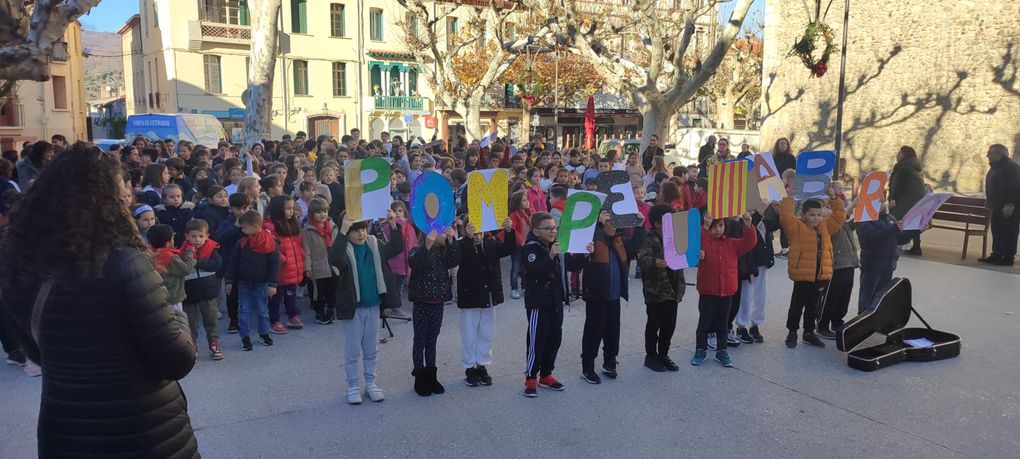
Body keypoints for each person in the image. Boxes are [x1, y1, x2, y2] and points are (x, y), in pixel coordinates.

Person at [0, 144, 199, 457]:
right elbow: (177, 359)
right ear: (108, 200)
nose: (129, 197)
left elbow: (37, 351)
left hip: (65, 431)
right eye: (122, 191)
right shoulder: (126, 264)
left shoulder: (25, 262)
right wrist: (178, 316)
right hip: (142, 432)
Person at [329, 210, 404, 405]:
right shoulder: (344, 247)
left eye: (362, 228)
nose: (360, 234)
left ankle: (371, 383)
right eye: (355, 231)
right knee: (353, 349)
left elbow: (396, 247)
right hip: (354, 308)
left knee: (371, 349)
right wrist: (343, 232)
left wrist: (394, 225)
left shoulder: (374, 243)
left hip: (374, 305)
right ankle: (352, 385)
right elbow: (335, 259)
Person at [521, 212, 589, 397]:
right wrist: (550, 255)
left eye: (554, 227)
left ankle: (546, 374)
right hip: (538, 303)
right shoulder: (530, 249)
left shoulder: (556, 245)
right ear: (536, 231)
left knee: (554, 339)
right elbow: (536, 272)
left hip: (555, 300)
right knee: (537, 340)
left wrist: (584, 253)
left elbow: (571, 264)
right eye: (548, 228)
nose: (553, 231)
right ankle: (530, 377)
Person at [577, 210, 645, 384]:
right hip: (597, 295)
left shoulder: (618, 240)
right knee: (593, 332)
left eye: (615, 222)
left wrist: (640, 226)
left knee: (613, 332)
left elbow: (635, 245)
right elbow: (576, 261)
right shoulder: (593, 238)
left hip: (614, 296)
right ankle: (588, 367)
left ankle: (609, 362)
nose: (614, 225)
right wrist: (598, 224)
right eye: (610, 221)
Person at [778, 195, 846, 349]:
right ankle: (792, 332)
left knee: (813, 306)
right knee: (797, 305)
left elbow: (840, 216)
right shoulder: (796, 227)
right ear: (803, 215)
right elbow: (785, 216)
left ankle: (809, 332)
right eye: (812, 215)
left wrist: (834, 198)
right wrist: (792, 197)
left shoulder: (825, 226)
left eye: (818, 215)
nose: (816, 218)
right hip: (803, 275)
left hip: (820, 274)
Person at [691, 213, 757, 367]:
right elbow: (697, 241)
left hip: (727, 291)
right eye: (714, 227)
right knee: (704, 323)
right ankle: (700, 349)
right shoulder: (704, 242)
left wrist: (748, 224)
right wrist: (705, 227)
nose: (717, 230)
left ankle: (722, 351)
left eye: (720, 226)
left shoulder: (732, 243)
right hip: (708, 291)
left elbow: (749, 242)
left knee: (723, 324)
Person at [456, 217, 515, 387]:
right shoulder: (462, 245)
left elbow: (508, 249)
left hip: (488, 295)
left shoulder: (491, 243)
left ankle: (482, 364)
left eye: (479, 232)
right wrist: (467, 237)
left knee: (486, 331)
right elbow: (459, 256)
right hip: (470, 296)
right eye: (473, 232)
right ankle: (469, 367)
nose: (477, 235)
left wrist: (509, 231)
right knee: (469, 333)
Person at [408, 223, 460, 397]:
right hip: (422, 303)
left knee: (432, 340)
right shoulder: (417, 250)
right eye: (442, 232)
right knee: (420, 340)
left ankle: (431, 375)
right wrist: (427, 246)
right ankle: (419, 377)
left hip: (438, 302)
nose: (445, 235)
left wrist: (452, 240)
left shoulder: (443, 251)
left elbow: (455, 260)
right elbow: (415, 263)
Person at [637, 204, 686, 372]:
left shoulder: (675, 238)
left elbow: (686, 254)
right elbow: (642, 259)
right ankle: (651, 356)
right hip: (656, 292)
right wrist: (654, 262)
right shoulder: (649, 239)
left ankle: (663, 354)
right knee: (654, 324)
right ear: (658, 223)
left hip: (673, 290)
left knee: (669, 325)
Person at [224, 210, 281, 352]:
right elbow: (233, 262)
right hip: (243, 283)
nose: (241, 230)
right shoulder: (242, 242)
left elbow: (275, 264)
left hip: (261, 284)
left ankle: (264, 334)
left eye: (244, 227)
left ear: (255, 227)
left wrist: (273, 283)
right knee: (244, 311)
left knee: (262, 311)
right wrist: (229, 280)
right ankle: (245, 337)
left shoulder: (271, 242)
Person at [816, 184, 859, 339]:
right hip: (835, 265)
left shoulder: (840, 222)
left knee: (843, 296)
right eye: (827, 207)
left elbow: (850, 223)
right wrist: (853, 206)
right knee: (830, 297)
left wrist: (865, 210)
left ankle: (837, 321)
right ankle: (822, 325)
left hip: (849, 263)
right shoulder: (825, 223)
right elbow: (840, 216)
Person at [734, 206, 780, 344]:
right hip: (748, 266)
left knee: (760, 296)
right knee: (746, 296)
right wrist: (748, 270)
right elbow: (746, 245)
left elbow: (775, 224)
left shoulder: (762, 220)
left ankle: (755, 324)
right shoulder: (744, 222)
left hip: (762, 263)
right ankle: (741, 326)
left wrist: (777, 210)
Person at [181, 219, 224, 360]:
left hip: (208, 292)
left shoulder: (212, 249)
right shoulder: (182, 251)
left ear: (207, 236)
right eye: (193, 236)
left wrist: (197, 263)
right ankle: (192, 348)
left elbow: (215, 265)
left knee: (210, 321)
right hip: (190, 293)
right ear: (187, 236)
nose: (197, 240)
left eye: (201, 236)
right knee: (191, 323)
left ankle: (214, 343)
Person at [264, 195, 306, 333]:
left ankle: (292, 315)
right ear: (278, 210)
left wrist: (301, 256)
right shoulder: (270, 226)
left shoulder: (293, 224)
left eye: (292, 208)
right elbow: (270, 247)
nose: (291, 212)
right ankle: (274, 320)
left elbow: (297, 243)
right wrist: (282, 258)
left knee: (290, 293)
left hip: (293, 266)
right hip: (280, 268)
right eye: (287, 209)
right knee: (275, 296)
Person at [856, 197, 902, 311]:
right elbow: (869, 239)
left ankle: (876, 323)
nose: (881, 202)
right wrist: (893, 228)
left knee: (881, 299)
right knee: (867, 298)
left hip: (888, 264)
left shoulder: (889, 218)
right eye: (877, 200)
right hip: (872, 266)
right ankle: (862, 322)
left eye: (882, 200)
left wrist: (918, 230)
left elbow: (899, 238)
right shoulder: (865, 219)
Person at [980, 144, 1020, 266]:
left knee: (1009, 231)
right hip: (997, 205)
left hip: (1008, 206)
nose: (987, 155)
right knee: (997, 230)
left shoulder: (1011, 167)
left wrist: (1010, 204)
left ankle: (1008, 257)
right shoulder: (996, 167)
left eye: (990, 153)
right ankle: (996, 254)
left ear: (999, 154)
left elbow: (1016, 186)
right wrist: (989, 200)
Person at [302, 198, 340, 324]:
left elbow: (338, 245)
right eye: (319, 212)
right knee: (319, 292)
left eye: (325, 211)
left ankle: (330, 309)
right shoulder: (307, 230)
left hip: (332, 265)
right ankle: (319, 312)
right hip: (317, 265)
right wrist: (307, 267)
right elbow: (306, 250)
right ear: (311, 214)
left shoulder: (332, 226)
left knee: (332, 290)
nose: (323, 214)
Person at [888, 146, 926, 255]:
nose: (897, 155)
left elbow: (898, 184)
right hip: (916, 201)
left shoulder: (903, 167)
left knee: (895, 219)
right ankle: (916, 247)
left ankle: (894, 245)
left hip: (906, 200)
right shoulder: (915, 167)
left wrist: (893, 198)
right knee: (914, 222)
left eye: (899, 153)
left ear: (904, 155)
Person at [508, 190, 532, 299]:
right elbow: (513, 230)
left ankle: (525, 286)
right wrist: (521, 240)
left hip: (526, 244)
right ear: (517, 202)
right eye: (524, 200)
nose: (527, 202)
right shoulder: (514, 215)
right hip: (518, 245)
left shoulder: (527, 213)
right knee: (516, 267)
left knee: (525, 267)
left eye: (527, 200)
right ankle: (514, 288)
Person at [154, 183, 194, 248]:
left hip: (184, 242)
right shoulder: (161, 211)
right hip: (167, 243)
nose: (176, 199)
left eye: (178, 196)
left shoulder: (187, 210)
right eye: (172, 197)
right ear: (164, 199)